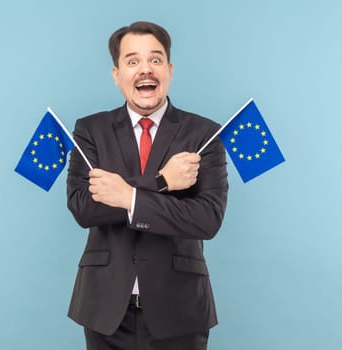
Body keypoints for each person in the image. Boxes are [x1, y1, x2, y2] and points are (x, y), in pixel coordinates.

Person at [66, 21, 228, 350]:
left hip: (180, 310)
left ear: (169, 69)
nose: (145, 71)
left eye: (155, 60)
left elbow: (206, 219)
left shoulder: (204, 135)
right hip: (105, 310)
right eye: (132, 61)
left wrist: (126, 195)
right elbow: (84, 207)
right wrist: (162, 181)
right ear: (117, 74)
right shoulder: (90, 131)